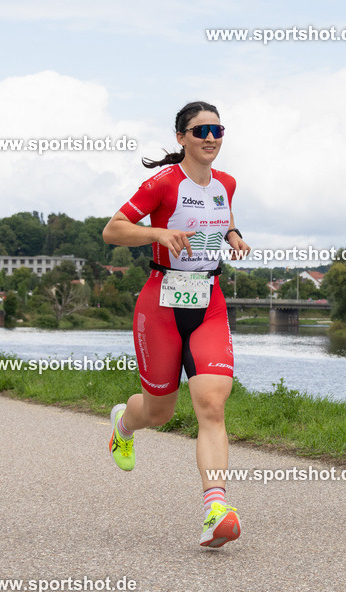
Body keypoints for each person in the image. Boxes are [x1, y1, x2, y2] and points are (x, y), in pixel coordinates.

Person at [102, 101, 250, 548]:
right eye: (200, 130)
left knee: (212, 404)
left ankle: (215, 509)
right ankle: (123, 426)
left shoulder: (227, 183)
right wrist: (158, 234)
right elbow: (113, 229)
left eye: (217, 130)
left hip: (208, 301)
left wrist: (233, 235)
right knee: (159, 412)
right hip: (161, 301)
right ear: (182, 137)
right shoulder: (163, 183)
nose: (210, 137)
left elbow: (219, 216)